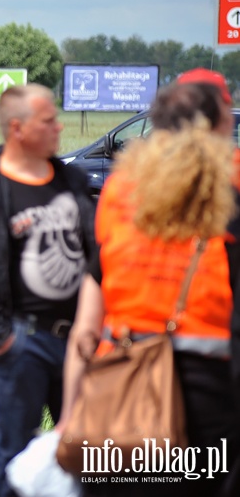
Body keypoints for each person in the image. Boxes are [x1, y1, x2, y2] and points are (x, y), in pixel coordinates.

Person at [59, 81, 239, 497]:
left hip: (118, 397)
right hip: (207, 406)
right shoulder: (229, 206)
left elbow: (85, 329)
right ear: (213, 131)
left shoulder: (120, 197)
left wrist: (69, 418)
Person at [0, 83, 96, 497]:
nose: (59, 127)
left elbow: (96, 253)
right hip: (22, 343)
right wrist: (3, 340)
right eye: (48, 120)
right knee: (15, 459)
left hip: (80, 343)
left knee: (89, 456)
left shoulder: (72, 181)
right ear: (18, 129)